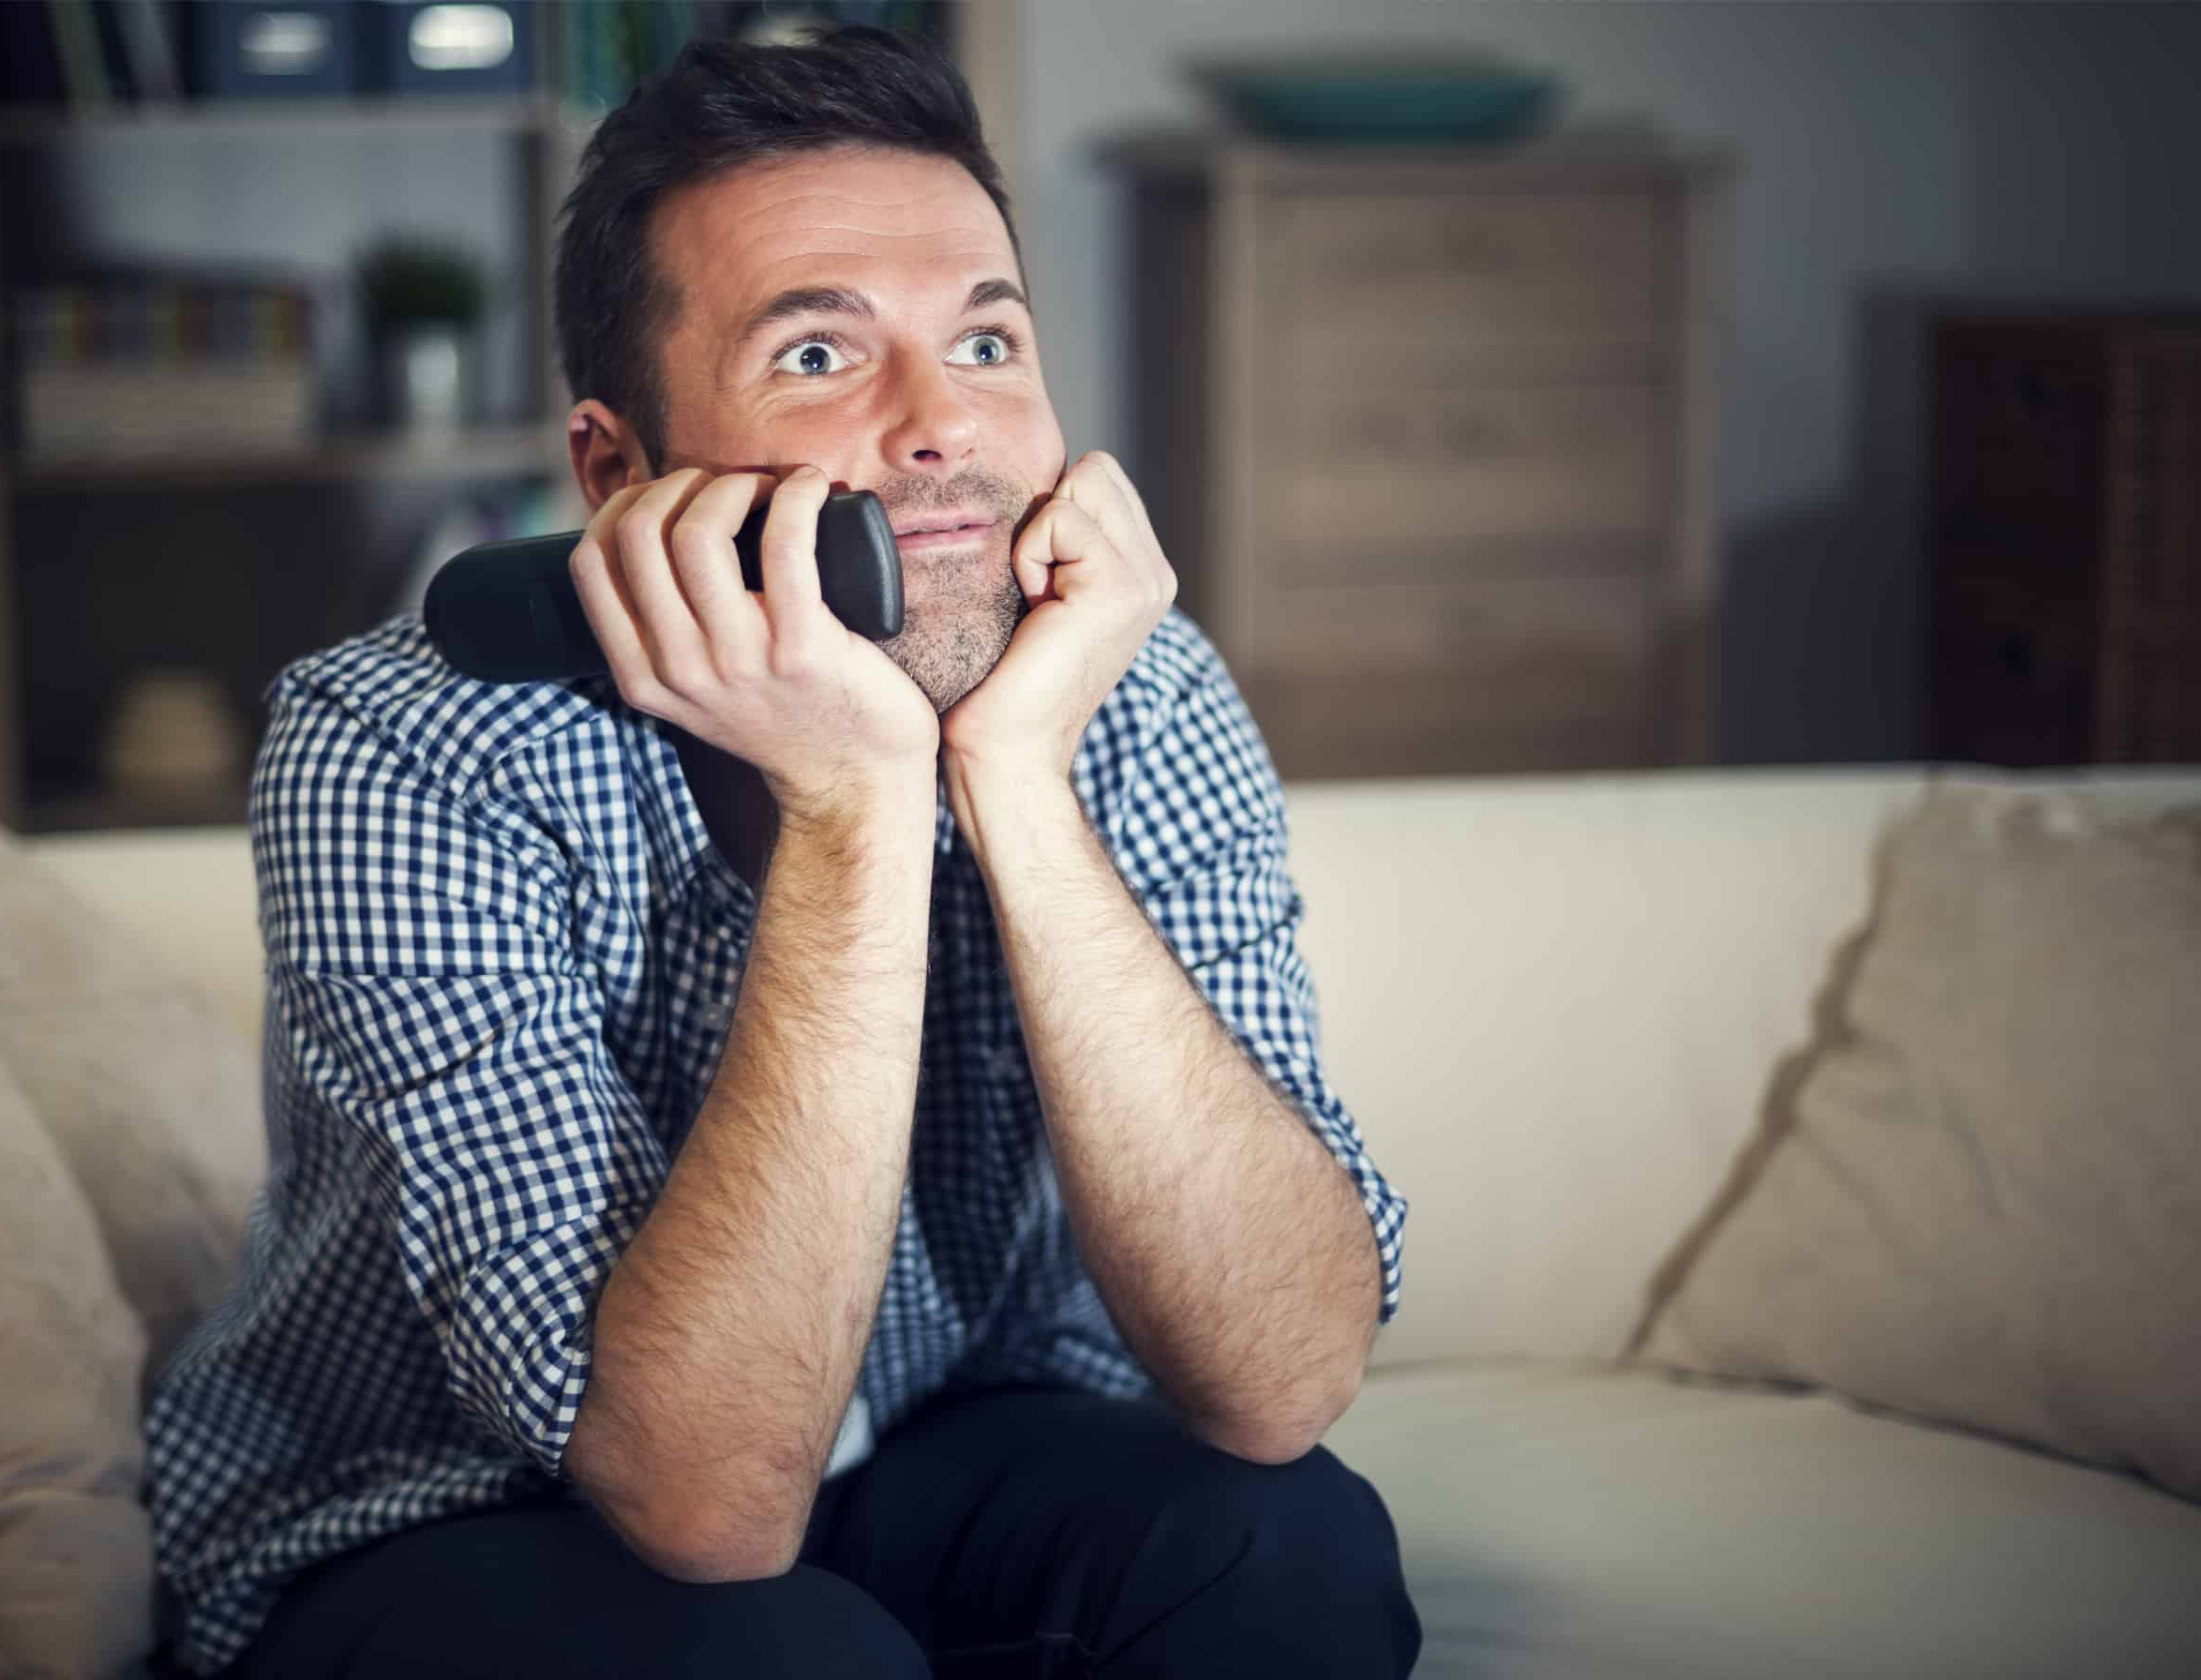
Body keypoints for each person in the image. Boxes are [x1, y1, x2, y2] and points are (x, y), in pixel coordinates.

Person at [144, 23, 1420, 1679]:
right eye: (819, 359)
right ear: (617, 473)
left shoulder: (1123, 671)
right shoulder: (401, 744)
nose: (941, 427)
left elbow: (1282, 1380)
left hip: (935, 1428)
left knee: (1289, 1552)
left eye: (988, 341)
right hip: (460, 1509)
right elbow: (702, 1507)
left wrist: (1017, 781)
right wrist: (854, 803)